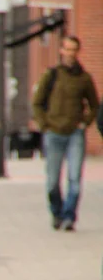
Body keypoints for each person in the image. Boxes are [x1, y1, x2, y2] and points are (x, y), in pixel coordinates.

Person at [32, 35, 98, 232]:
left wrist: (84, 123)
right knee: (53, 181)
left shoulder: (84, 79)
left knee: (75, 179)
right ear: (61, 51)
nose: (70, 53)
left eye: (73, 50)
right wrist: (44, 125)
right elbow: (37, 102)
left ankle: (69, 216)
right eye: (67, 49)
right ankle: (57, 212)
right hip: (53, 134)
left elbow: (94, 105)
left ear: (78, 52)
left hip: (74, 135)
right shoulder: (51, 75)